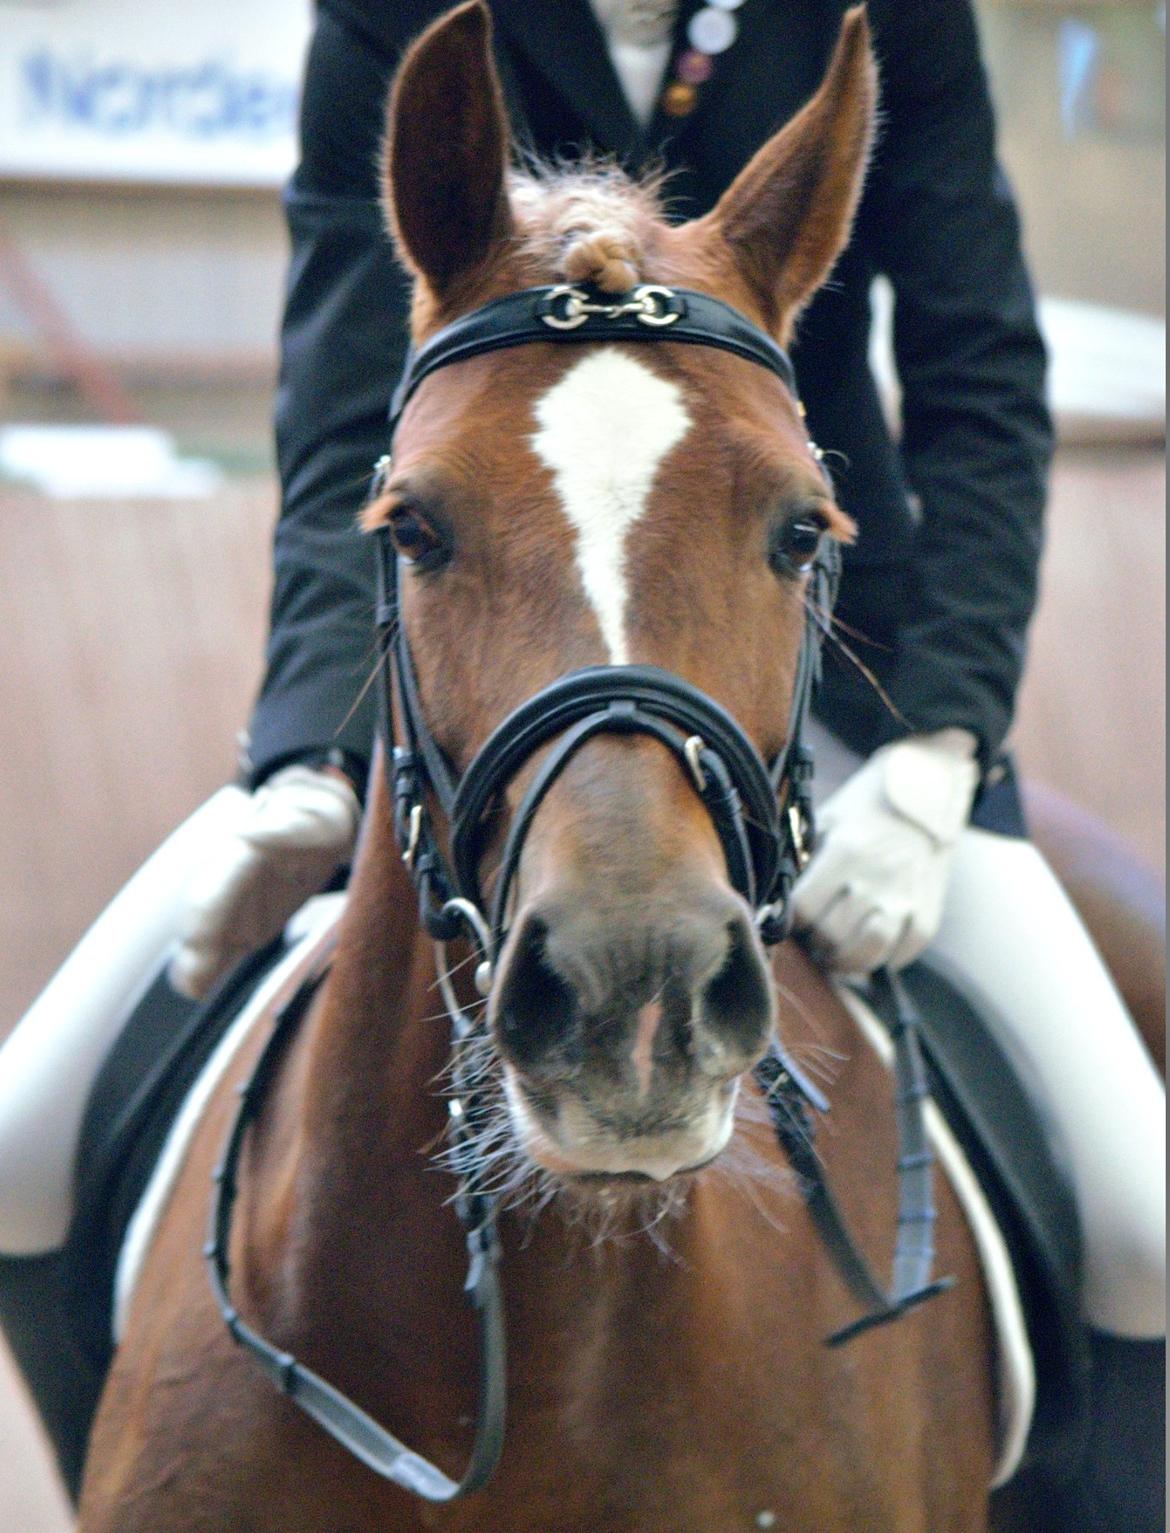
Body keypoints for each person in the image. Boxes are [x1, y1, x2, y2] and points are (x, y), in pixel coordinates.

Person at [0, 2, 1162, 1524]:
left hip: (814, 654)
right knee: (23, 1139)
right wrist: (302, 752)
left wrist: (939, 745)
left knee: (1144, 1221)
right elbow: (343, 396)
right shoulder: (394, 15)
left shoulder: (887, 25)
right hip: (471, 649)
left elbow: (978, 385)